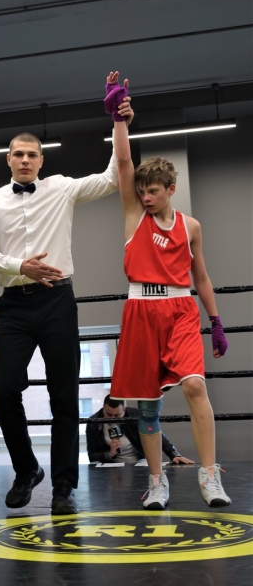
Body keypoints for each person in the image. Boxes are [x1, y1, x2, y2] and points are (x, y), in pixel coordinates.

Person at [0, 98, 134, 515]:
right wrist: (19, 266)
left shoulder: (61, 187)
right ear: (8, 160)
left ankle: (64, 485)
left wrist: (118, 123)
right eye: (18, 154)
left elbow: (113, 178)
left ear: (41, 160)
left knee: (64, 394)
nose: (25, 160)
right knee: (3, 390)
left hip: (58, 301)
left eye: (32, 154)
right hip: (14, 304)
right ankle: (27, 469)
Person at [105, 71, 231, 509]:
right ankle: (157, 481)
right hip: (140, 310)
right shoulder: (133, 215)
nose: (145, 197)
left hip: (180, 309)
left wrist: (215, 321)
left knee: (195, 385)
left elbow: (202, 277)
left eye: (153, 191)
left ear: (171, 190)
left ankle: (209, 475)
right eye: (141, 191)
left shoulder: (190, 226)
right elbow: (124, 163)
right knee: (147, 408)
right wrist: (119, 120)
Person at [86, 394, 194, 465]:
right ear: (103, 410)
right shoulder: (93, 423)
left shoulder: (135, 415)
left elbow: (156, 434)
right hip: (110, 467)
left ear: (124, 410)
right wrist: (109, 454)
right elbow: (92, 456)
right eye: (108, 415)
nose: (112, 419)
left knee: (147, 467)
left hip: (138, 463)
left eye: (117, 415)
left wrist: (174, 454)